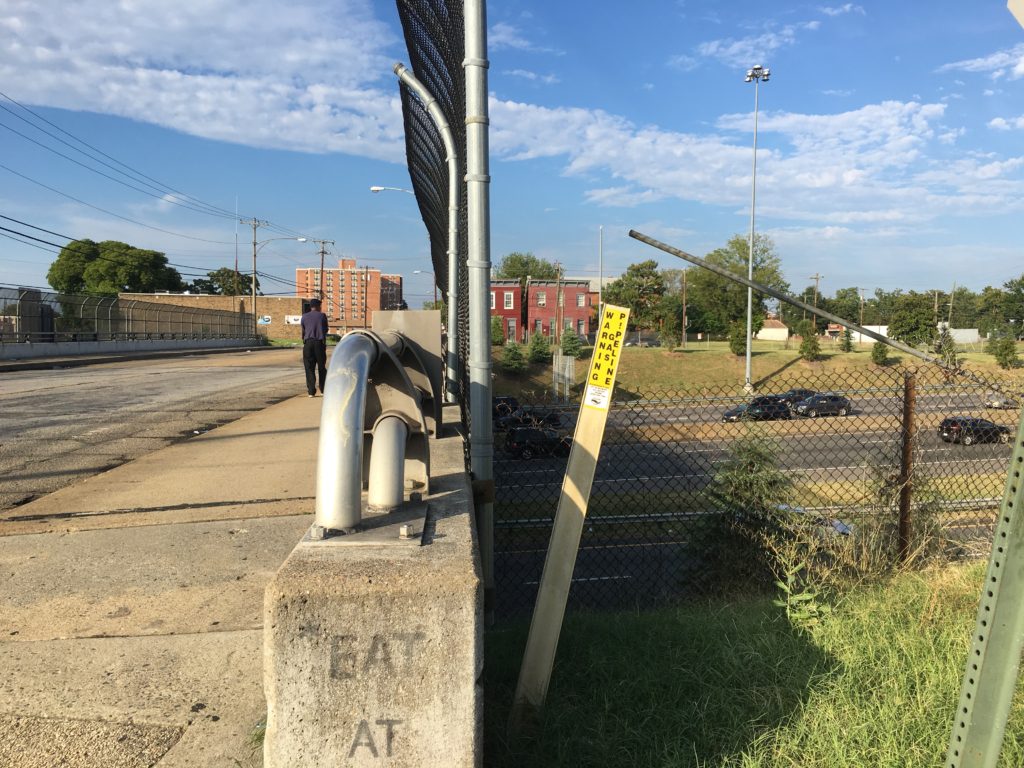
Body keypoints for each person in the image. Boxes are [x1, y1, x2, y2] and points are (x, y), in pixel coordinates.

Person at [301, 298, 328, 397]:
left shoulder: (304, 317)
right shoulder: (322, 316)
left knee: (309, 368)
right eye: (320, 306)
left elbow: (303, 331)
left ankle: (311, 392)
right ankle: (323, 389)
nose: (321, 308)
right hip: (319, 343)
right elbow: (326, 329)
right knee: (321, 367)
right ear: (317, 306)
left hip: (308, 344)